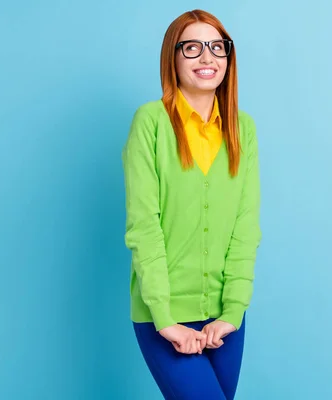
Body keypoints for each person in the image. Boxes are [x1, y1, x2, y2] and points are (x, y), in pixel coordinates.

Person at [122, 9, 262, 400]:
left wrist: (233, 311)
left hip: (226, 319)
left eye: (218, 47)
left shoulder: (242, 128)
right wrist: (164, 320)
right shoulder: (150, 121)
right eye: (193, 47)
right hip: (163, 316)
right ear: (173, 57)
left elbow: (245, 225)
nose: (208, 57)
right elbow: (143, 225)